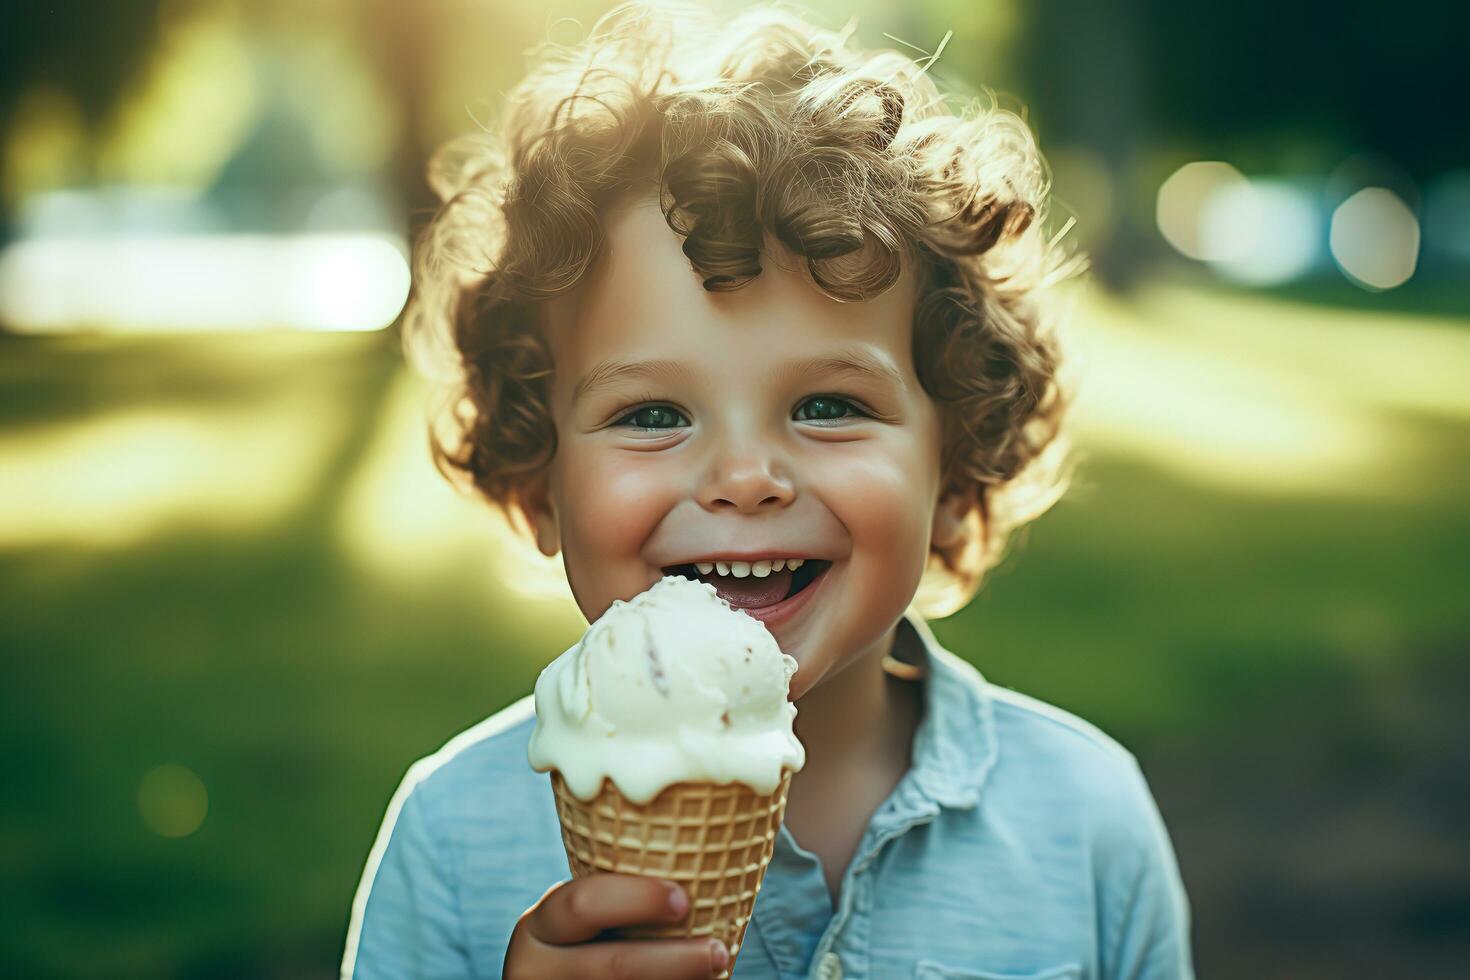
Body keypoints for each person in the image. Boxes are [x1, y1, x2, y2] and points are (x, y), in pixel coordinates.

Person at [342, 2, 1193, 977]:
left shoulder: (1087, 825)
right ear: (539, 483)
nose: (745, 478)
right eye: (653, 414)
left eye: (829, 404)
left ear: (955, 467)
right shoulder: (450, 844)